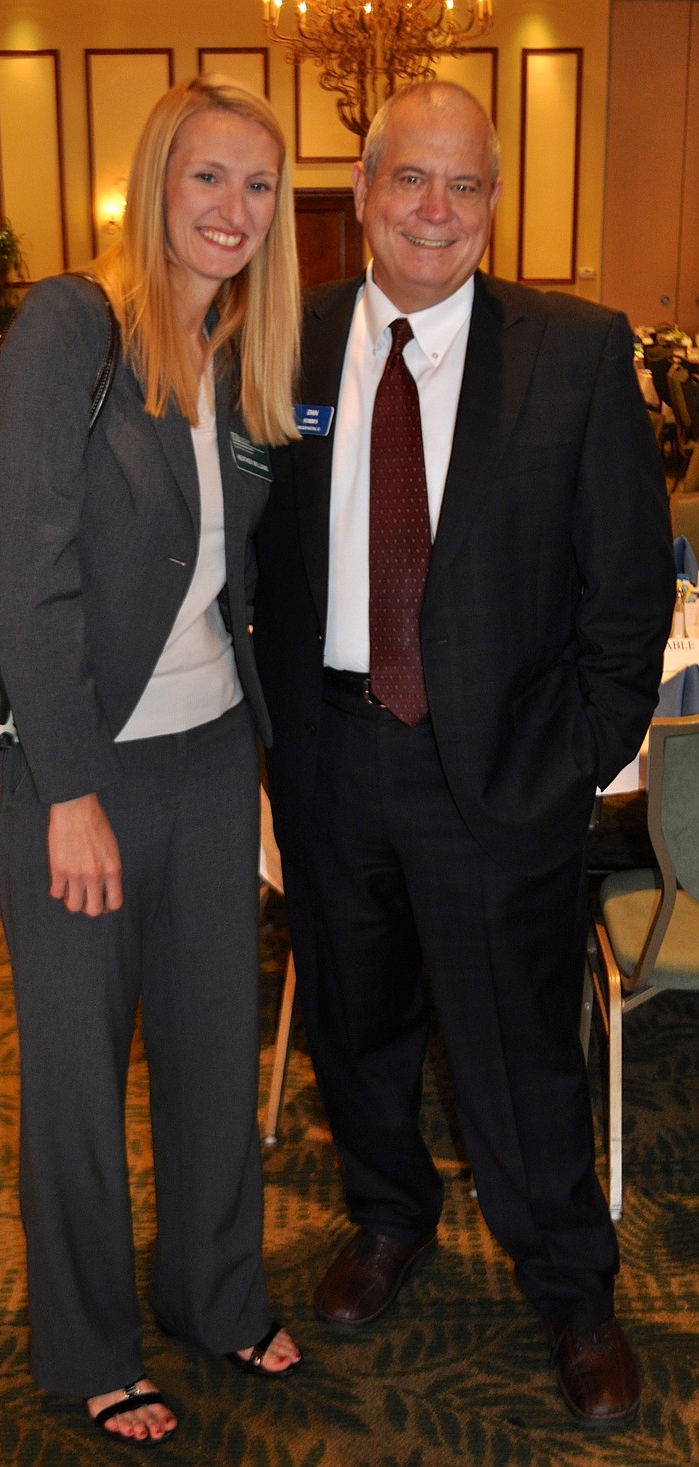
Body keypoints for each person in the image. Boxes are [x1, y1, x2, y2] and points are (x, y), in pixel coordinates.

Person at [253, 81, 674, 1431]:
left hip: (497, 769)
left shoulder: (574, 350)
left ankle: (572, 1288)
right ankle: (388, 1216)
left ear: (494, 201)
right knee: (353, 1019)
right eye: (410, 179)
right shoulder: (281, 339)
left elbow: (626, 591)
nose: (436, 209)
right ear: (364, 188)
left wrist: (574, 757)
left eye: (466, 184)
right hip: (327, 758)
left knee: (518, 1049)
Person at [0, 75, 302, 1447]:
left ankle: (215, 1293)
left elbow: (232, 584)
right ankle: (92, 1342)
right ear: (156, 180)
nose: (234, 208)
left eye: (259, 185)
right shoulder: (74, 323)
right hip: (83, 767)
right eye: (208, 176)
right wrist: (68, 791)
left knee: (216, 1048)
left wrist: (266, 771)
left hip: (214, 760)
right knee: (76, 1072)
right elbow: (19, 563)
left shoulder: (239, 353)